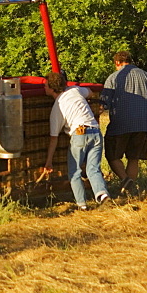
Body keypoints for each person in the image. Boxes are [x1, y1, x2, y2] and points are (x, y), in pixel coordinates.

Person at [100, 51, 147, 196]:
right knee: (134, 158)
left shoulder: (113, 78)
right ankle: (129, 191)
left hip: (120, 124)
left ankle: (126, 180)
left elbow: (103, 103)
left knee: (112, 155)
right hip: (143, 124)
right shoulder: (146, 76)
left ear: (117, 63)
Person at [43, 71, 109, 211]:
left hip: (79, 134)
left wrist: (49, 161)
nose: (44, 88)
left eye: (46, 86)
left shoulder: (57, 108)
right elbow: (90, 92)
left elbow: (53, 139)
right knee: (93, 168)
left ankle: (82, 205)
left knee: (74, 172)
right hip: (95, 131)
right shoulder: (75, 90)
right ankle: (102, 195)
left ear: (52, 88)